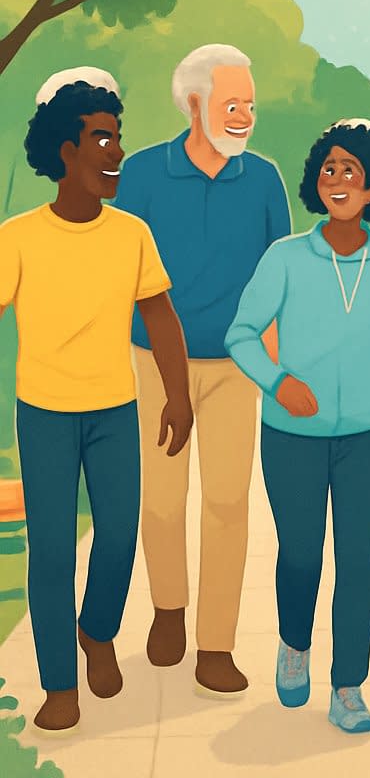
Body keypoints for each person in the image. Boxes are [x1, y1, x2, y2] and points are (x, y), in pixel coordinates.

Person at [226, 119, 370, 735]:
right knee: (300, 556)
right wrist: (278, 382)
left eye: (351, 170)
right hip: (291, 436)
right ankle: (294, 644)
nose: (337, 179)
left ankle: (349, 685)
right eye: (329, 168)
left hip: (366, 437)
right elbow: (240, 335)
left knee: (359, 562)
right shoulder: (285, 257)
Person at [1, 72, 191, 734]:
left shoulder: (130, 233)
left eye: (118, 137)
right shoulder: (19, 236)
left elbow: (160, 315)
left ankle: (97, 630)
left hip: (115, 411)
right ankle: (59, 686)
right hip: (45, 414)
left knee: (116, 538)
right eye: (101, 138)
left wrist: (179, 394)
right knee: (52, 553)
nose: (115, 152)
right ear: (64, 151)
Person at [113, 43, 291, 697]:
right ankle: (168, 609)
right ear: (195, 105)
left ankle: (215, 643)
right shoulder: (143, 174)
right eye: (231, 104)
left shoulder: (264, 178)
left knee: (226, 502)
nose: (244, 116)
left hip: (236, 366)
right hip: (156, 361)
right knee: (160, 501)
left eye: (250, 104)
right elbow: (122, 271)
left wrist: (275, 363)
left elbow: (281, 274)